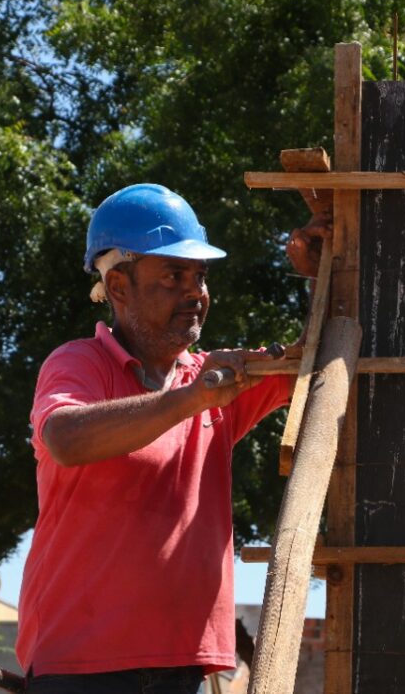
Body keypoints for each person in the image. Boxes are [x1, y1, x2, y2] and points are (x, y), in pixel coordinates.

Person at [17, 183, 327, 694]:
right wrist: (192, 399)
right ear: (118, 286)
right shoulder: (79, 365)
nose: (195, 292)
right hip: (81, 665)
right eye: (174, 274)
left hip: (182, 664)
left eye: (201, 276)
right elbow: (66, 439)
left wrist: (322, 272)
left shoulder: (216, 379)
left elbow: (312, 360)